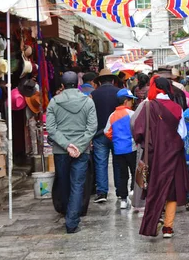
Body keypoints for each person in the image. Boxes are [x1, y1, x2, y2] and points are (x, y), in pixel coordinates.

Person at [132, 76, 189, 238]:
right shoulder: (177, 108)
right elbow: (183, 133)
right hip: (174, 155)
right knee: (172, 191)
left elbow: (138, 131)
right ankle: (168, 228)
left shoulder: (147, 106)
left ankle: (154, 221)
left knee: (154, 189)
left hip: (154, 155)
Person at [46, 71, 98, 233]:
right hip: (81, 152)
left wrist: (66, 145)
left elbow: (51, 128)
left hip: (61, 151)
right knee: (78, 184)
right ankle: (72, 222)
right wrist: (80, 146)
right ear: (78, 84)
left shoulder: (54, 103)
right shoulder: (88, 102)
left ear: (62, 85)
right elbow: (92, 128)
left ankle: (68, 213)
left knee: (64, 183)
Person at [90, 68, 120, 203]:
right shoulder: (119, 93)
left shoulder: (93, 94)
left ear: (99, 82)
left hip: (99, 133)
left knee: (100, 163)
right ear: (113, 80)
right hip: (116, 133)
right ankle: (120, 190)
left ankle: (102, 192)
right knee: (118, 162)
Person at [104, 89, 138, 209]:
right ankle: (134, 192)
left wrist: (116, 139)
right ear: (125, 101)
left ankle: (123, 199)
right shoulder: (132, 114)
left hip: (118, 150)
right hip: (132, 149)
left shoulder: (112, 115)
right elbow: (138, 129)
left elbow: (106, 132)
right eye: (131, 100)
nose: (132, 103)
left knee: (122, 175)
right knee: (135, 171)